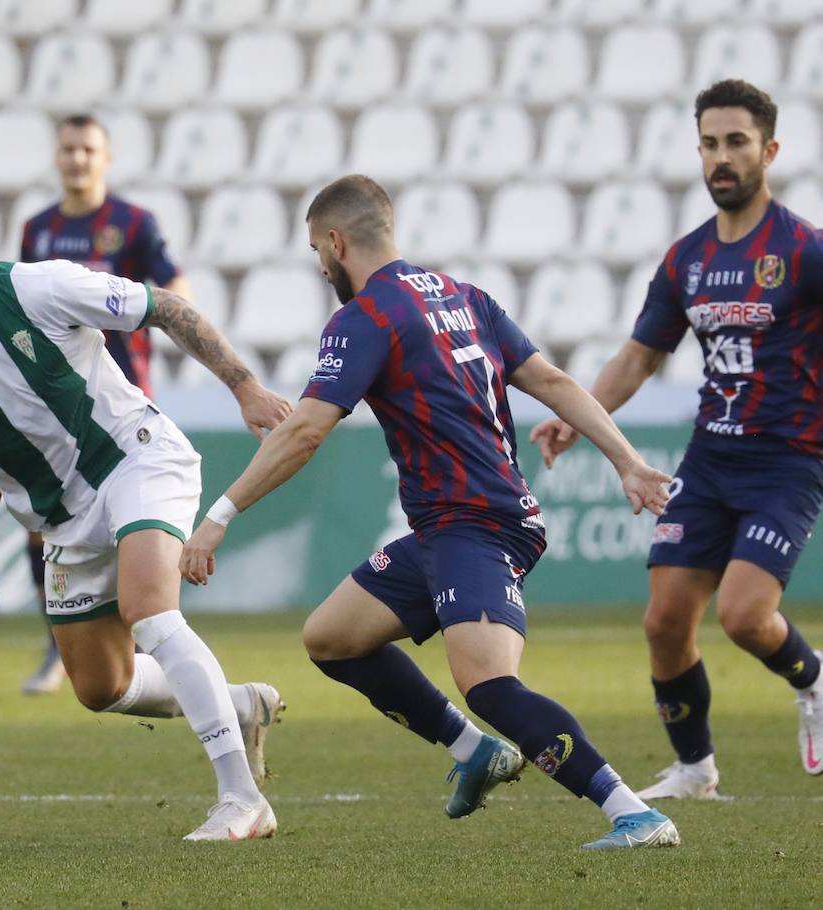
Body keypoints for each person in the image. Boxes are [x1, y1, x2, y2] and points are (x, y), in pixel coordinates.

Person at [180, 175, 682, 849]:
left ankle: (633, 812)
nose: (319, 266)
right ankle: (471, 750)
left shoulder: (366, 318)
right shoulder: (464, 297)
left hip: (475, 522)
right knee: (331, 637)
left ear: (336, 243)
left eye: (315, 253)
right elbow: (555, 382)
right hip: (450, 525)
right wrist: (625, 460)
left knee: (491, 683)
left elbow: (304, 431)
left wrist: (221, 514)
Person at [0, 199, 292, 840]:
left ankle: (242, 797)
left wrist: (245, 386)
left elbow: (165, 307)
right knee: (100, 686)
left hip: (134, 460)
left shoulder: (39, 288)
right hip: (62, 520)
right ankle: (236, 705)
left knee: (150, 611)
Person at [531, 79, 823, 798]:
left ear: (769, 151)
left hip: (788, 461)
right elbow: (639, 356)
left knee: (745, 616)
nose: (721, 158)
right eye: (710, 144)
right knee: (664, 621)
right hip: (710, 458)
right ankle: (695, 769)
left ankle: (813, 682)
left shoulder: (804, 251)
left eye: (737, 143)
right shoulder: (685, 259)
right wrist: (580, 413)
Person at [14, 114, 197, 695]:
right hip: (57, 405)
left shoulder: (133, 224)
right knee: (44, 525)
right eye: (68, 149)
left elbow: (174, 289)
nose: (77, 160)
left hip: (122, 400)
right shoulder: (37, 229)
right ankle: (58, 644)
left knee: (131, 523)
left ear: (106, 158)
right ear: (57, 156)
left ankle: (146, 641)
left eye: (87, 150)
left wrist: (155, 327)